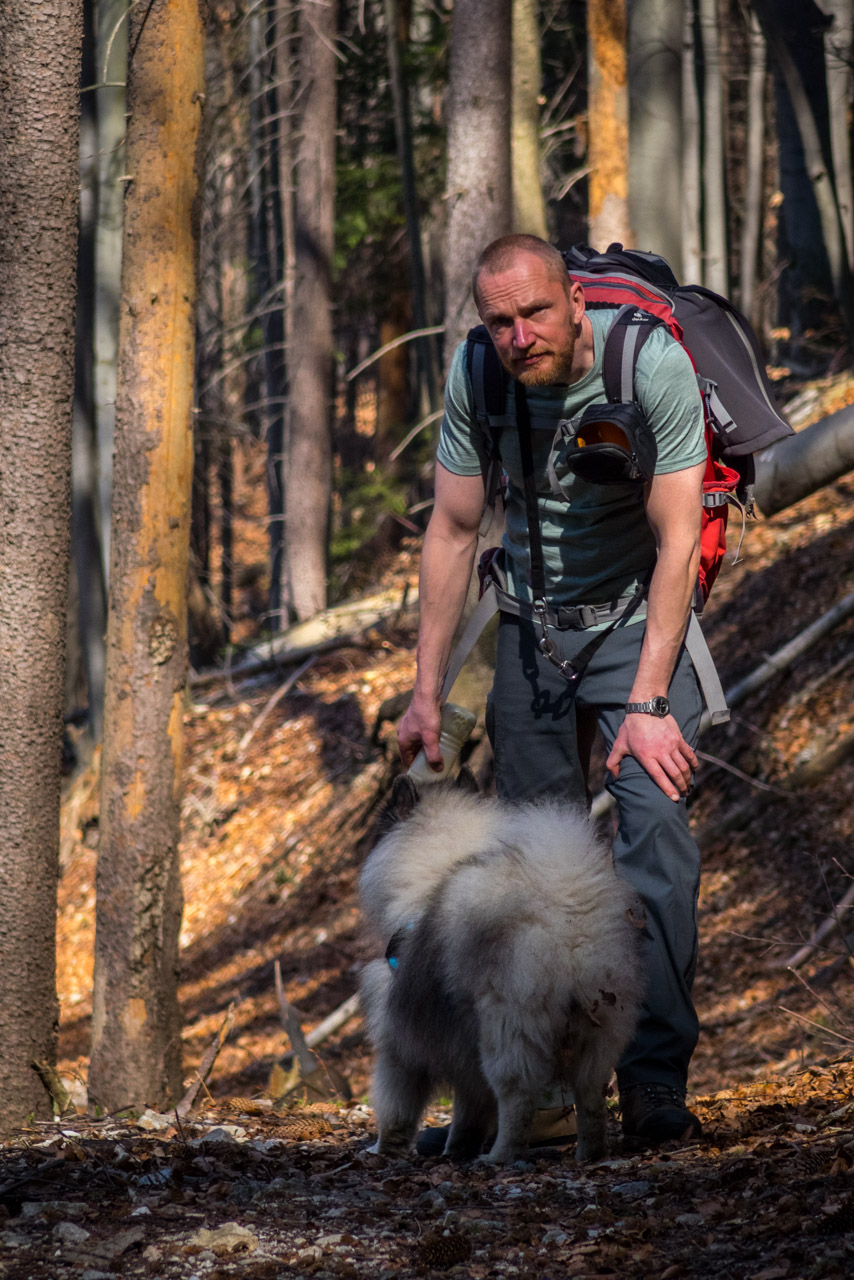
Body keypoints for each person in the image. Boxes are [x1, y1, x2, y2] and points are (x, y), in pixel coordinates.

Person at [397, 233, 708, 1149]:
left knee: (655, 838)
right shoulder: (478, 375)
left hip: (636, 625)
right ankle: (553, 1093)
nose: (517, 335)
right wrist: (426, 694)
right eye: (498, 321)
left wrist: (648, 707)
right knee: (541, 873)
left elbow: (680, 539)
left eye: (534, 312)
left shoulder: (645, 362)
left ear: (574, 301)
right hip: (530, 632)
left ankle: (653, 1080)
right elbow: (453, 531)